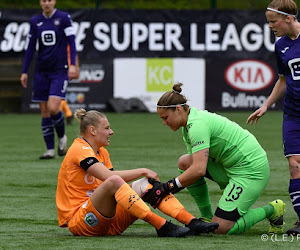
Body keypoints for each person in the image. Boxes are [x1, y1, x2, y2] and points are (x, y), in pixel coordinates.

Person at [142, 83, 286, 235]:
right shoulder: (189, 124)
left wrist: (167, 187)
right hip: (231, 166)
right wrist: (170, 187)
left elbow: (198, 170)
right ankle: (207, 217)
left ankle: (272, 209)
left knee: (221, 228)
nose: (164, 123)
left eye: (165, 118)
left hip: (251, 171)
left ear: (178, 109)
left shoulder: (196, 126)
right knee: (185, 162)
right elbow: (195, 166)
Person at [55, 109, 218, 237]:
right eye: (106, 128)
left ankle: (191, 221)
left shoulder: (102, 152)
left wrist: (144, 187)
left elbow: (117, 190)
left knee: (145, 184)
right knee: (115, 181)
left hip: (108, 223)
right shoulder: (79, 148)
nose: (111, 132)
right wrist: (143, 170)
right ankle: (162, 226)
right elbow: (109, 178)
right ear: (92, 130)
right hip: (81, 222)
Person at [246, 0, 300, 236]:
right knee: (294, 165)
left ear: (288, 18)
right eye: (268, 21)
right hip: (293, 114)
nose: (270, 26)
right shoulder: (281, 46)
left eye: (273, 21)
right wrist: (266, 104)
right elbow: (283, 80)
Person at [20, 0, 77, 159]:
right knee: (44, 111)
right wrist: (24, 71)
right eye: (43, 0)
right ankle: (50, 150)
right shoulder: (34, 21)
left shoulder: (64, 17)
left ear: (54, 1)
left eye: (49, 0)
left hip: (59, 70)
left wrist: (72, 64)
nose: (46, 3)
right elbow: (31, 47)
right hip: (41, 72)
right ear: (40, 2)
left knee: (53, 108)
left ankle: (62, 137)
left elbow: (72, 42)